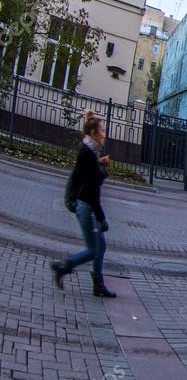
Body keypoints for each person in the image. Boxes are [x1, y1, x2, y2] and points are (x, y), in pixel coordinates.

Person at [50, 111, 117, 298]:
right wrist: (102, 219)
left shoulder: (91, 151)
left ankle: (98, 285)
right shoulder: (87, 153)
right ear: (94, 133)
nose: (104, 134)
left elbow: (91, 176)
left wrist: (100, 163)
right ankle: (64, 265)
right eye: (102, 131)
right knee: (93, 250)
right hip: (85, 207)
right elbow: (92, 190)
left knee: (100, 246)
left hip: (87, 205)